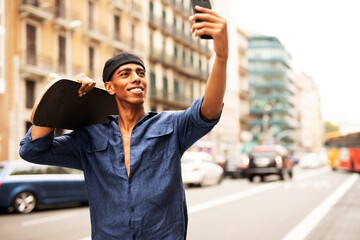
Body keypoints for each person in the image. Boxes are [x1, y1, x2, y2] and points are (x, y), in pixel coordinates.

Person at [19, 5, 228, 240]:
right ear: (109, 87)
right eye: (125, 73)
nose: (136, 77)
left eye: (140, 72)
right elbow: (33, 150)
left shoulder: (171, 127)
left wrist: (221, 56)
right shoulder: (90, 138)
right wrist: (63, 100)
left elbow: (208, 111)